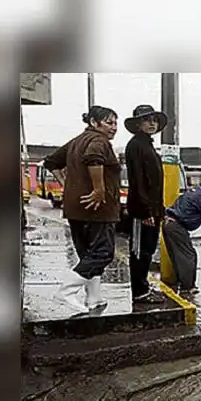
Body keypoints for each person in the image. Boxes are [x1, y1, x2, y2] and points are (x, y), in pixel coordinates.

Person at [42, 106, 121, 314]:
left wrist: (65, 183)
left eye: (115, 123)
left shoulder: (77, 141)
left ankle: (93, 299)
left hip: (75, 206)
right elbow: (94, 158)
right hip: (96, 207)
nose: (113, 127)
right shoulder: (99, 141)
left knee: (88, 254)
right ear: (94, 123)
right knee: (103, 253)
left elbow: (51, 161)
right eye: (108, 122)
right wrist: (98, 189)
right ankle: (65, 292)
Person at [123, 104, 168, 304]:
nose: (152, 124)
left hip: (153, 208)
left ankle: (143, 289)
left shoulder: (147, 145)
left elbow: (154, 183)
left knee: (148, 250)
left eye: (154, 120)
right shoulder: (136, 146)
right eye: (147, 120)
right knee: (140, 251)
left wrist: (160, 209)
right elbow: (138, 181)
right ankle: (140, 292)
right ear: (138, 124)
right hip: (143, 210)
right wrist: (146, 211)